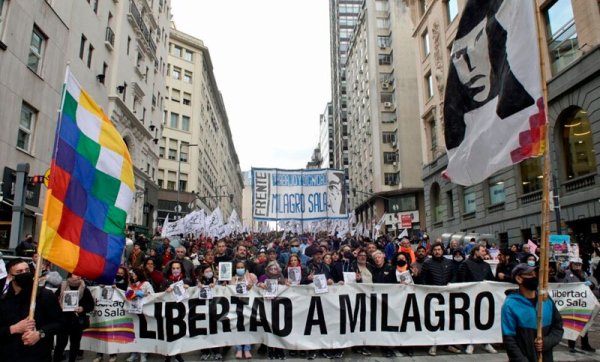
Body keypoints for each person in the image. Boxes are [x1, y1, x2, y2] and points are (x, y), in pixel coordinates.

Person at [0, 258, 63, 362]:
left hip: (38, 356)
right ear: (10, 276)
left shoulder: (45, 295)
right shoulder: (3, 298)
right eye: (19, 272)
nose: (24, 273)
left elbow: (60, 323)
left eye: (27, 270)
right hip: (7, 355)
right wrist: (12, 329)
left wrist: (40, 334)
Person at [502, 263, 564, 361]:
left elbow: (558, 327)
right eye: (530, 274)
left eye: (535, 273)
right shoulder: (510, 304)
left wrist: (546, 342)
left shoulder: (546, 299)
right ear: (519, 279)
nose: (535, 276)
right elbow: (509, 340)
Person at [420, 242, 461, 356]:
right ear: (432, 251)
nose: (437, 251)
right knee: (434, 322)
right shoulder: (427, 263)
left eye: (439, 249)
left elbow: (455, 276)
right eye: (435, 250)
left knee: (448, 321)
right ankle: (434, 344)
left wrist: (451, 284)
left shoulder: (449, 263)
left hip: (448, 297)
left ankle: (448, 344)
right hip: (433, 298)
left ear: (443, 251)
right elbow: (422, 280)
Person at [457, 245, 497, 354]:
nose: (485, 252)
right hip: (469, 298)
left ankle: (486, 342)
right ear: (476, 252)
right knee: (470, 321)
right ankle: (469, 343)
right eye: (483, 250)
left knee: (483, 320)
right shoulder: (465, 264)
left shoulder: (486, 265)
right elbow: (461, 280)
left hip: (483, 298)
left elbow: (491, 280)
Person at [558, 257, 596, 352]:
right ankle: (572, 345)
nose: (577, 266)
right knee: (572, 324)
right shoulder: (565, 273)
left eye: (579, 264)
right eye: (575, 264)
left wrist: (590, 284)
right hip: (571, 302)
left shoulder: (584, 274)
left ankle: (585, 344)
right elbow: (560, 284)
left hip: (583, 302)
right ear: (571, 264)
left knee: (584, 324)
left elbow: (592, 286)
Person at [53, 274, 94, 362]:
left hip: (77, 321)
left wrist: (82, 308)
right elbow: (54, 299)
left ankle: (72, 360)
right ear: (70, 275)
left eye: (80, 274)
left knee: (75, 344)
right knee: (60, 344)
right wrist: (58, 304)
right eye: (76, 274)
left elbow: (91, 305)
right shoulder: (62, 286)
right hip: (63, 320)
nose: (79, 276)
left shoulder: (84, 288)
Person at [125, 269, 154, 362]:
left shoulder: (146, 284)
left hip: (143, 313)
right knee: (133, 333)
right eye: (131, 275)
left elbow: (152, 295)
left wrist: (142, 293)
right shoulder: (131, 285)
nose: (132, 276)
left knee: (143, 332)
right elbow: (127, 296)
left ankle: (143, 353)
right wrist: (131, 293)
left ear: (138, 274)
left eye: (133, 274)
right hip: (133, 312)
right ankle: (134, 353)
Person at [231, 260, 257, 359]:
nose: (240, 269)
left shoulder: (251, 277)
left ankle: (247, 348)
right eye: (238, 267)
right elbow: (230, 291)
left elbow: (258, 289)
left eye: (242, 267)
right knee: (237, 327)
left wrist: (252, 287)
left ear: (245, 268)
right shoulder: (233, 279)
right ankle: (238, 348)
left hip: (249, 305)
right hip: (236, 306)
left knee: (247, 326)